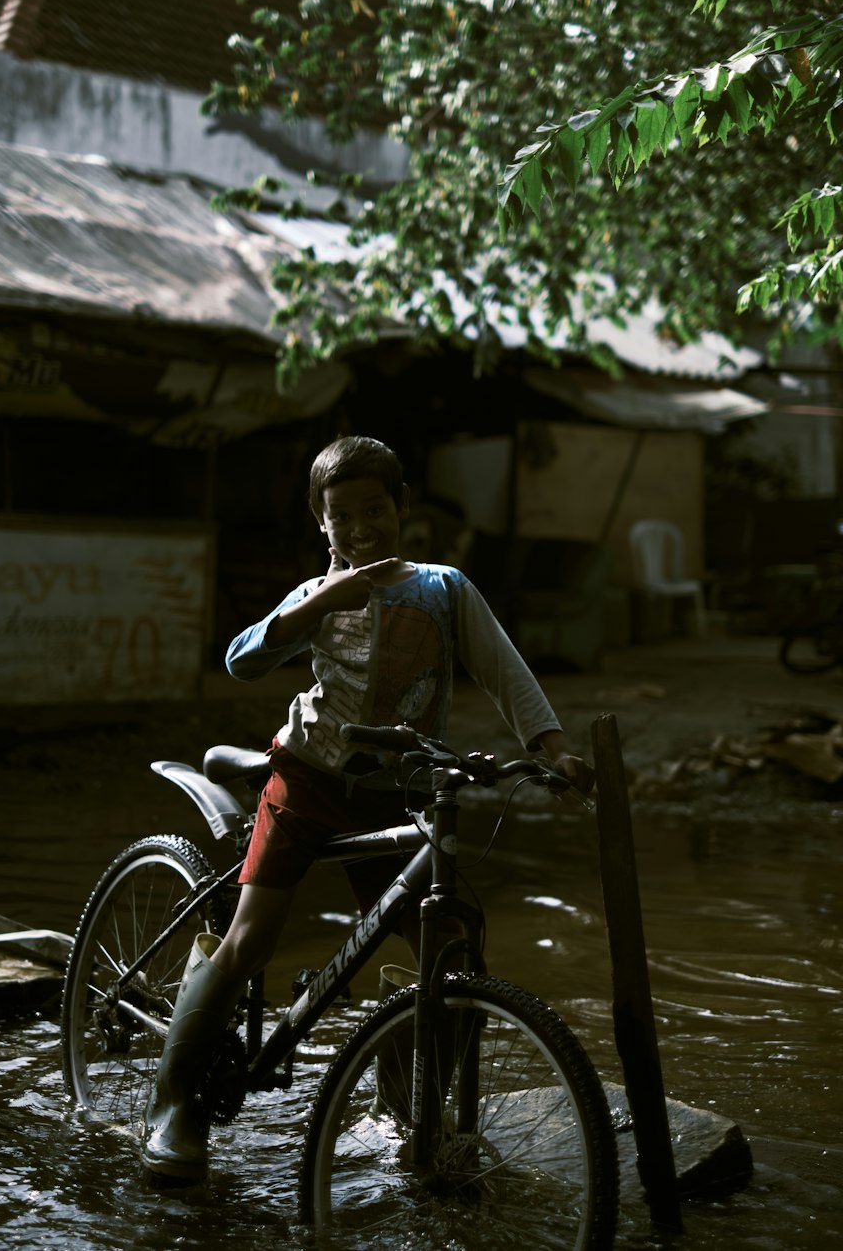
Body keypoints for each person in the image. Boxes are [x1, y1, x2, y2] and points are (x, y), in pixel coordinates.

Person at [141, 434, 593, 1179]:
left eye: (373, 510)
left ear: (402, 509)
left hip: (398, 791)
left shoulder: (445, 588)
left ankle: (403, 1112)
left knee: (453, 947)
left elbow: (506, 674)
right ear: (322, 525)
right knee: (251, 939)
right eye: (341, 517)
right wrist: (322, 599)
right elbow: (242, 659)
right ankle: (172, 1106)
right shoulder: (320, 593)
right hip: (309, 779)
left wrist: (553, 748)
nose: (359, 529)